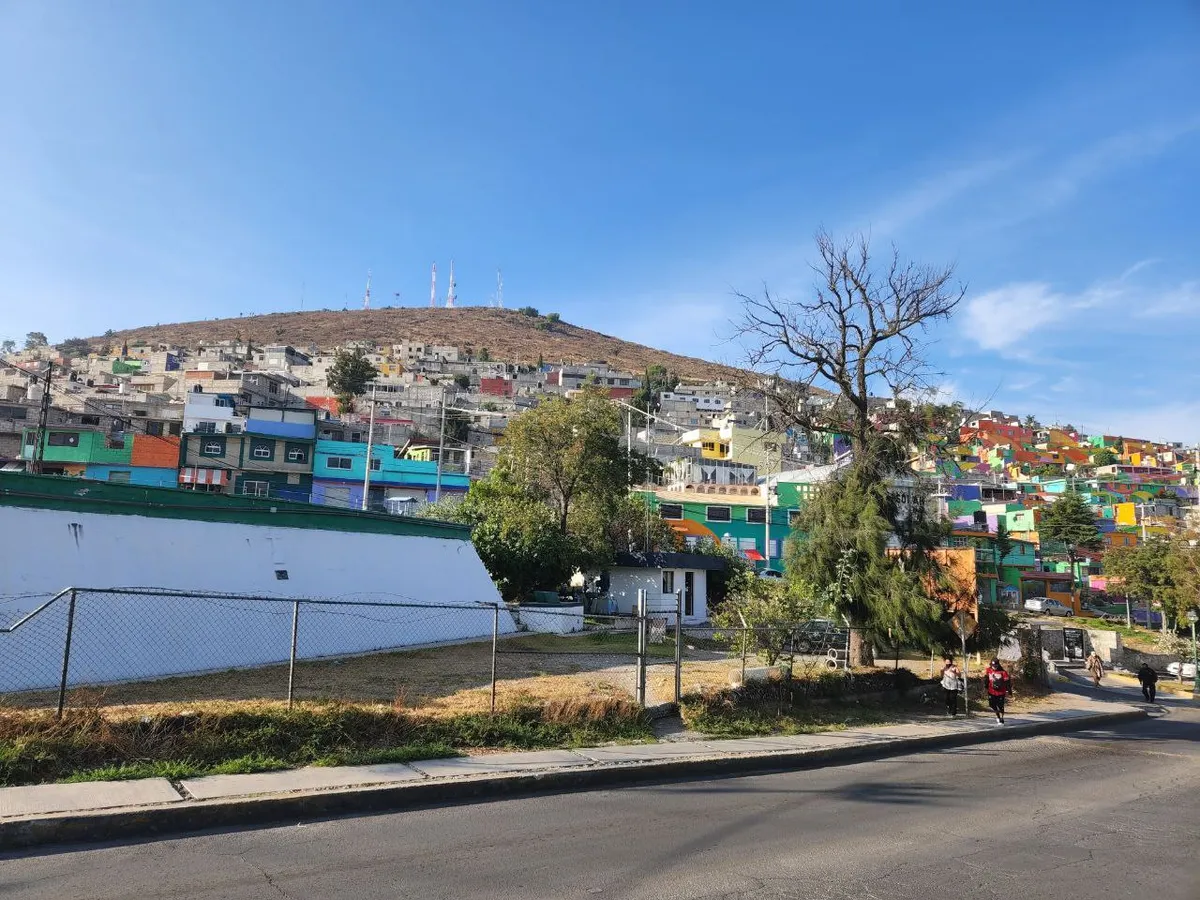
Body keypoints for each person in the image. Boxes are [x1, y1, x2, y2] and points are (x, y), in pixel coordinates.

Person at [984, 658, 1012, 725]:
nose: (994, 667)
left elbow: (1007, 682)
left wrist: (1009, 691)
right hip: (991, 691)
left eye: (996, 666)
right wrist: (985, 687)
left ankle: (1001, 718)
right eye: (993, 666)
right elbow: (986, 679)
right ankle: (997, 715)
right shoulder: (988, 670)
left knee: (1000, 706)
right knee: (992, 704)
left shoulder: (1003, 672)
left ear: (998, 665)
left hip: (1001, 692)